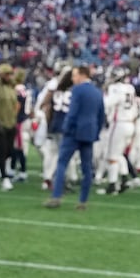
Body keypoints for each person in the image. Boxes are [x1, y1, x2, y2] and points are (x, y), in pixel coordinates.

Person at [44, 65, 105, 210]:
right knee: (86, 168)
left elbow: (73, 111)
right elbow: (101, 115)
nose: (72, 79)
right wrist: (95, 131)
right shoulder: (97, 92)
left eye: (74, 75)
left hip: (74, 131)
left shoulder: (77, 90)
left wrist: (66, 127)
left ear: (82, 75)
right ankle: (83, 201)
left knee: (62, 162)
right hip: (89, 132)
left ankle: (56, 197)